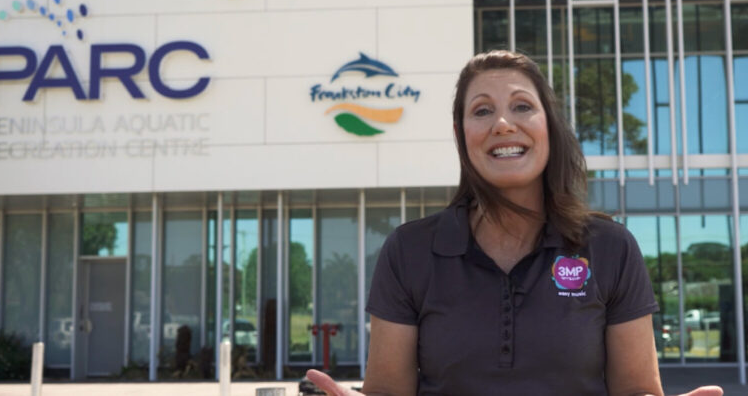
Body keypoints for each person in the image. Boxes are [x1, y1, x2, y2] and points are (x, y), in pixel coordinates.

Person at [307, 51, 722, 396]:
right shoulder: (409, 250)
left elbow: (636, 392)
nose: (503, 123)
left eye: (522, 106)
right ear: (460, 134)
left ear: (549, 126)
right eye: (482, 110)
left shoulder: (610, 247)